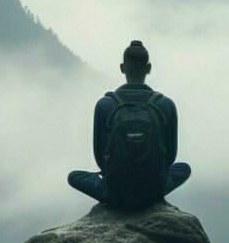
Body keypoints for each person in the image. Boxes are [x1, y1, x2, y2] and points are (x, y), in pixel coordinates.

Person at [67, 40, 191, 210]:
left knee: (74, 177)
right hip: (153, 190)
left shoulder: (105, 105)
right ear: (148, 68)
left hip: (116, 193)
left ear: (122, 68)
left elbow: (99, 156)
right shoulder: (165, 105)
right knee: (184, 169)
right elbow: (170, 156)